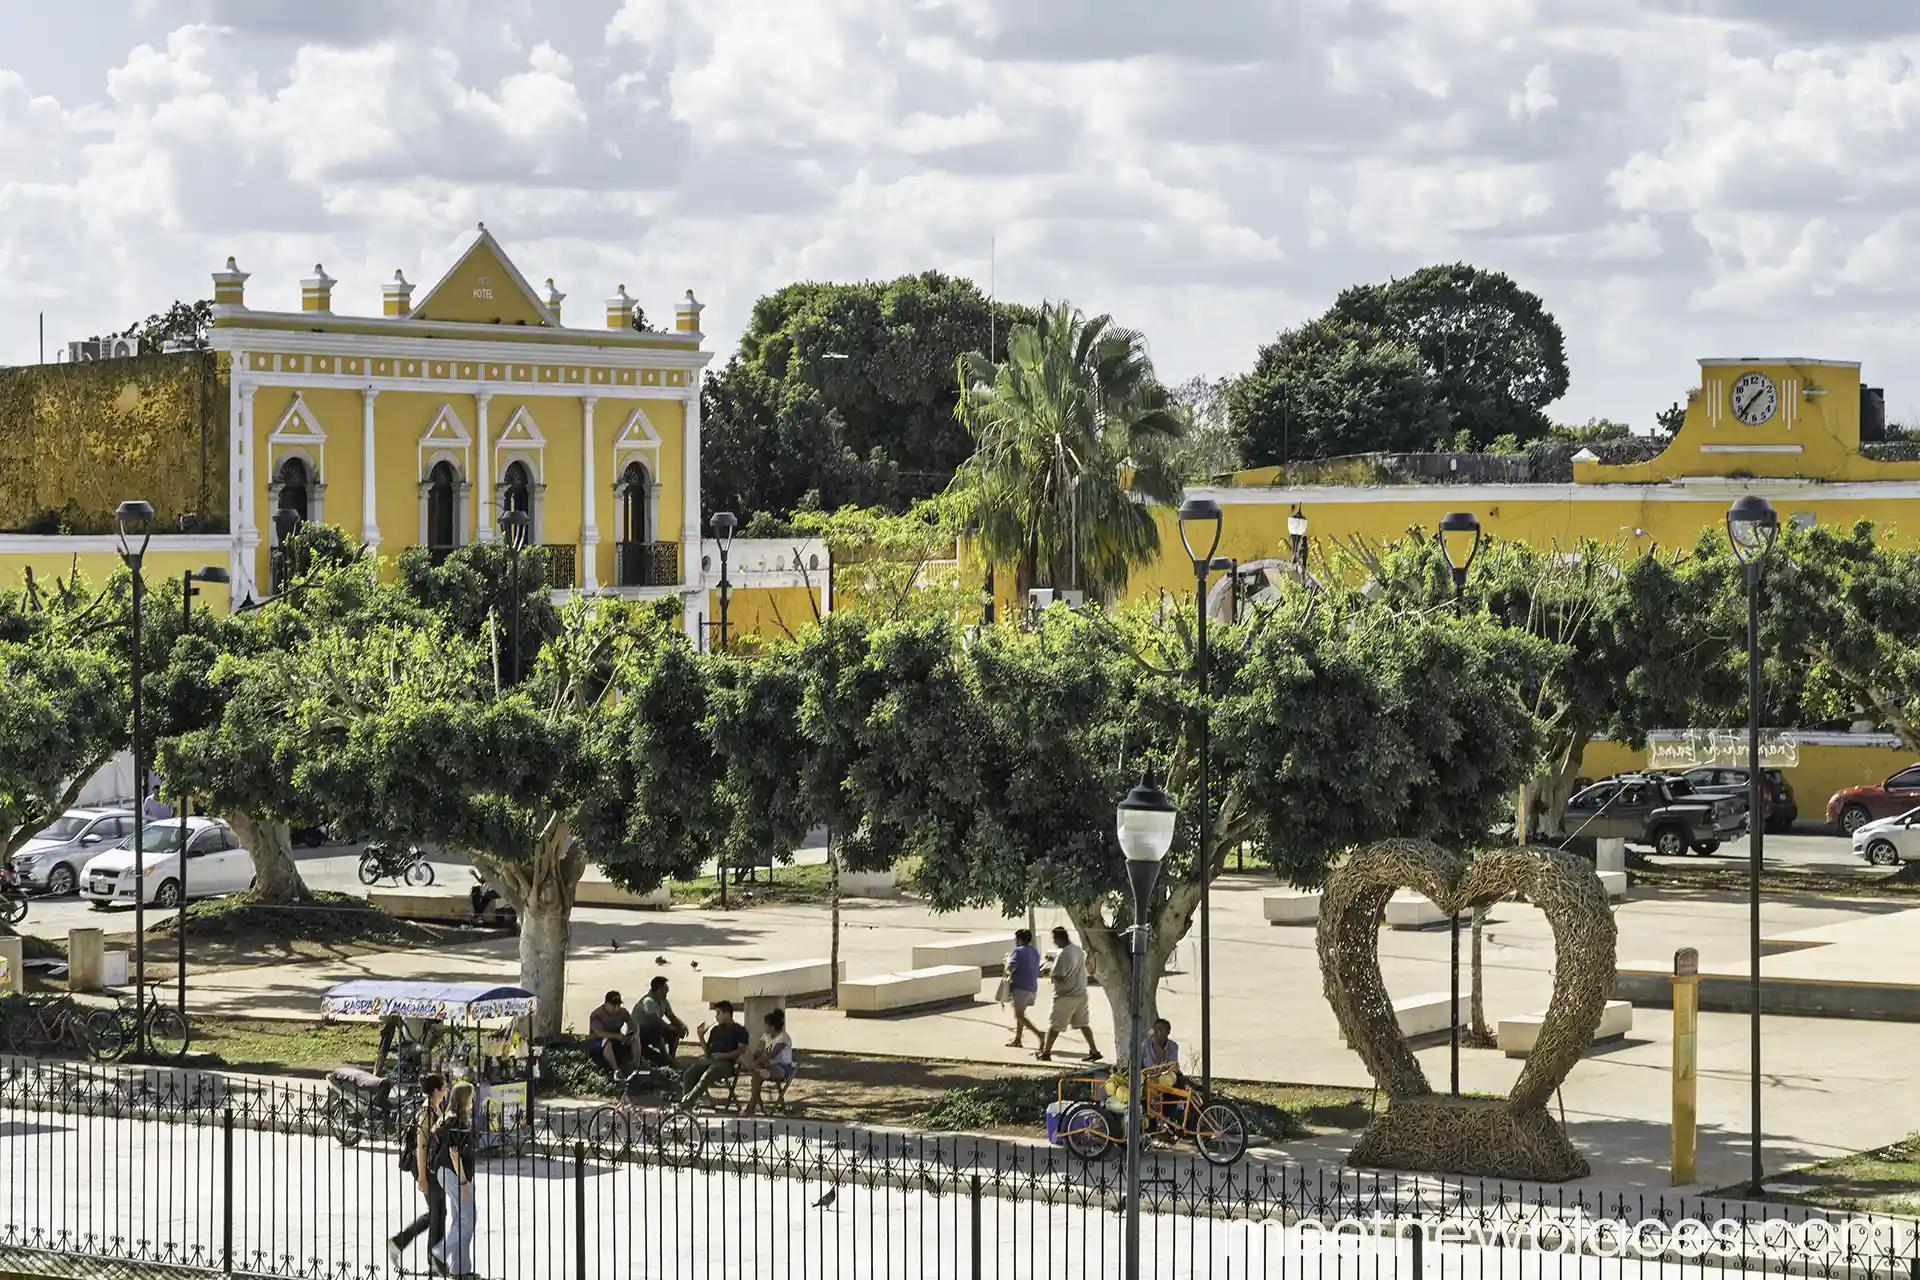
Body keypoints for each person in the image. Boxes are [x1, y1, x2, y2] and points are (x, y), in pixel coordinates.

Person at [388, 1073, 448, 1272]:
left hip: (432, 1167)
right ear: (436, 1091)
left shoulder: (436, 1107)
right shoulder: (427, 1112)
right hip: (424, 1167)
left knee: (438, 1211)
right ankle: (432, 1259)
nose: (447, 1090)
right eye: (444, 1087)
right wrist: (422, 1177)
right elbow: (421, 1147)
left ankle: (404, 1245)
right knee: (437, 1211)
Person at [431, 1079, 477, 1278]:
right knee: (467, 1218)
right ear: (464, 1099)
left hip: (447, 1172)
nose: (473, 1101)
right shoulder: (456, 1121)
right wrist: (464, 1182)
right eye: (471, 1097)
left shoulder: (448, 1118)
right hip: (455, 1173)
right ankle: (441, 1252)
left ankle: (460, 1268)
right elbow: (454, 1153)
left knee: (461, 1218)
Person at [1037, 926, 1101, 1063]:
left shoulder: (1063, 954)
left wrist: (1047, 971)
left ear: (1060, 938)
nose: (1054, 942)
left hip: (1066, 995)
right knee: (1083, 1024)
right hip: (1081, 993)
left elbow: (1060, 976)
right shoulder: (1078, 950)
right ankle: (1094, 1051)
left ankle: (1046, 1053)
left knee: (1055, 1025)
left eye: (1055, 939)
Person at [679, 1000, 752, 1101]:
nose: (716, 1017)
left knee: (707, 1076)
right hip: (710, 1060)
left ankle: (687, 1101)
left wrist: (722, 1055)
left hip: (726, 1064)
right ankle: (688, 1102)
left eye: (718, 1013)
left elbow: (741, 1050)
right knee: (689, 1074)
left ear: (726, 1014)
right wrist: (701, 1037)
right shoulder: (715, 1030)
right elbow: (707, 1051)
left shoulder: (739, 1030)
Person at [743, 1007, 794, 1117]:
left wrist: (754, 1064)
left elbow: (771, 1054)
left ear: (772, 1027)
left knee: (756, 1075)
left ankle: (750, 1108)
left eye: (766, 1025)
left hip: (781, 1068)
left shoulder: (783, 1037)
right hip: (765, 1066)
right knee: (746, 1059)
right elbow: (758, 1051)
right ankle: (758, 1070)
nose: (764, 1027)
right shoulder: (766, 1036)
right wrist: (750, 1058)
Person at [636, 975, 687, 1066]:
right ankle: (666, 1057)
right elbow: (657, 1021)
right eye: (665, 991)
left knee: (675, 1029)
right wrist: (674, 1029)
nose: (666, 994)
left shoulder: (663, 1001)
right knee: (657, 1028)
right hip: (640, 1032)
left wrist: (682, 1026)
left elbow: (671, 1016)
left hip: (652, 1029)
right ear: (659, 990)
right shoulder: (648, 1001)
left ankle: (672, 1056)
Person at [1005, 928, 1043, 1049]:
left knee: (1019, 1015)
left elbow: (1010, 967)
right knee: (1021, 1013)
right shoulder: (1034, 951)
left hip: (1020, 986)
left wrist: (1007, 962)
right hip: (1032, 987)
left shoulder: (1018, 951)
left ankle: (1039, 1034)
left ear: (1020, 939)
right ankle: (1018, 1039)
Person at [586, 991, 636, 1072]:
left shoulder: (623, 1012)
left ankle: (635, 1066)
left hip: (616, 1041)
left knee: (635, 1039)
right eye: (613, 1005)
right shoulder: (597, 1014)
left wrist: (632, 1034)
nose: (616, 1008)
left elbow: (634, 1026)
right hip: (597, 1041)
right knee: (606, 1042)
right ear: (606, 1003)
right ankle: (616, 1070)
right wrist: (616, 1036)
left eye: (618, 1005)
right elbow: (599, 1032)